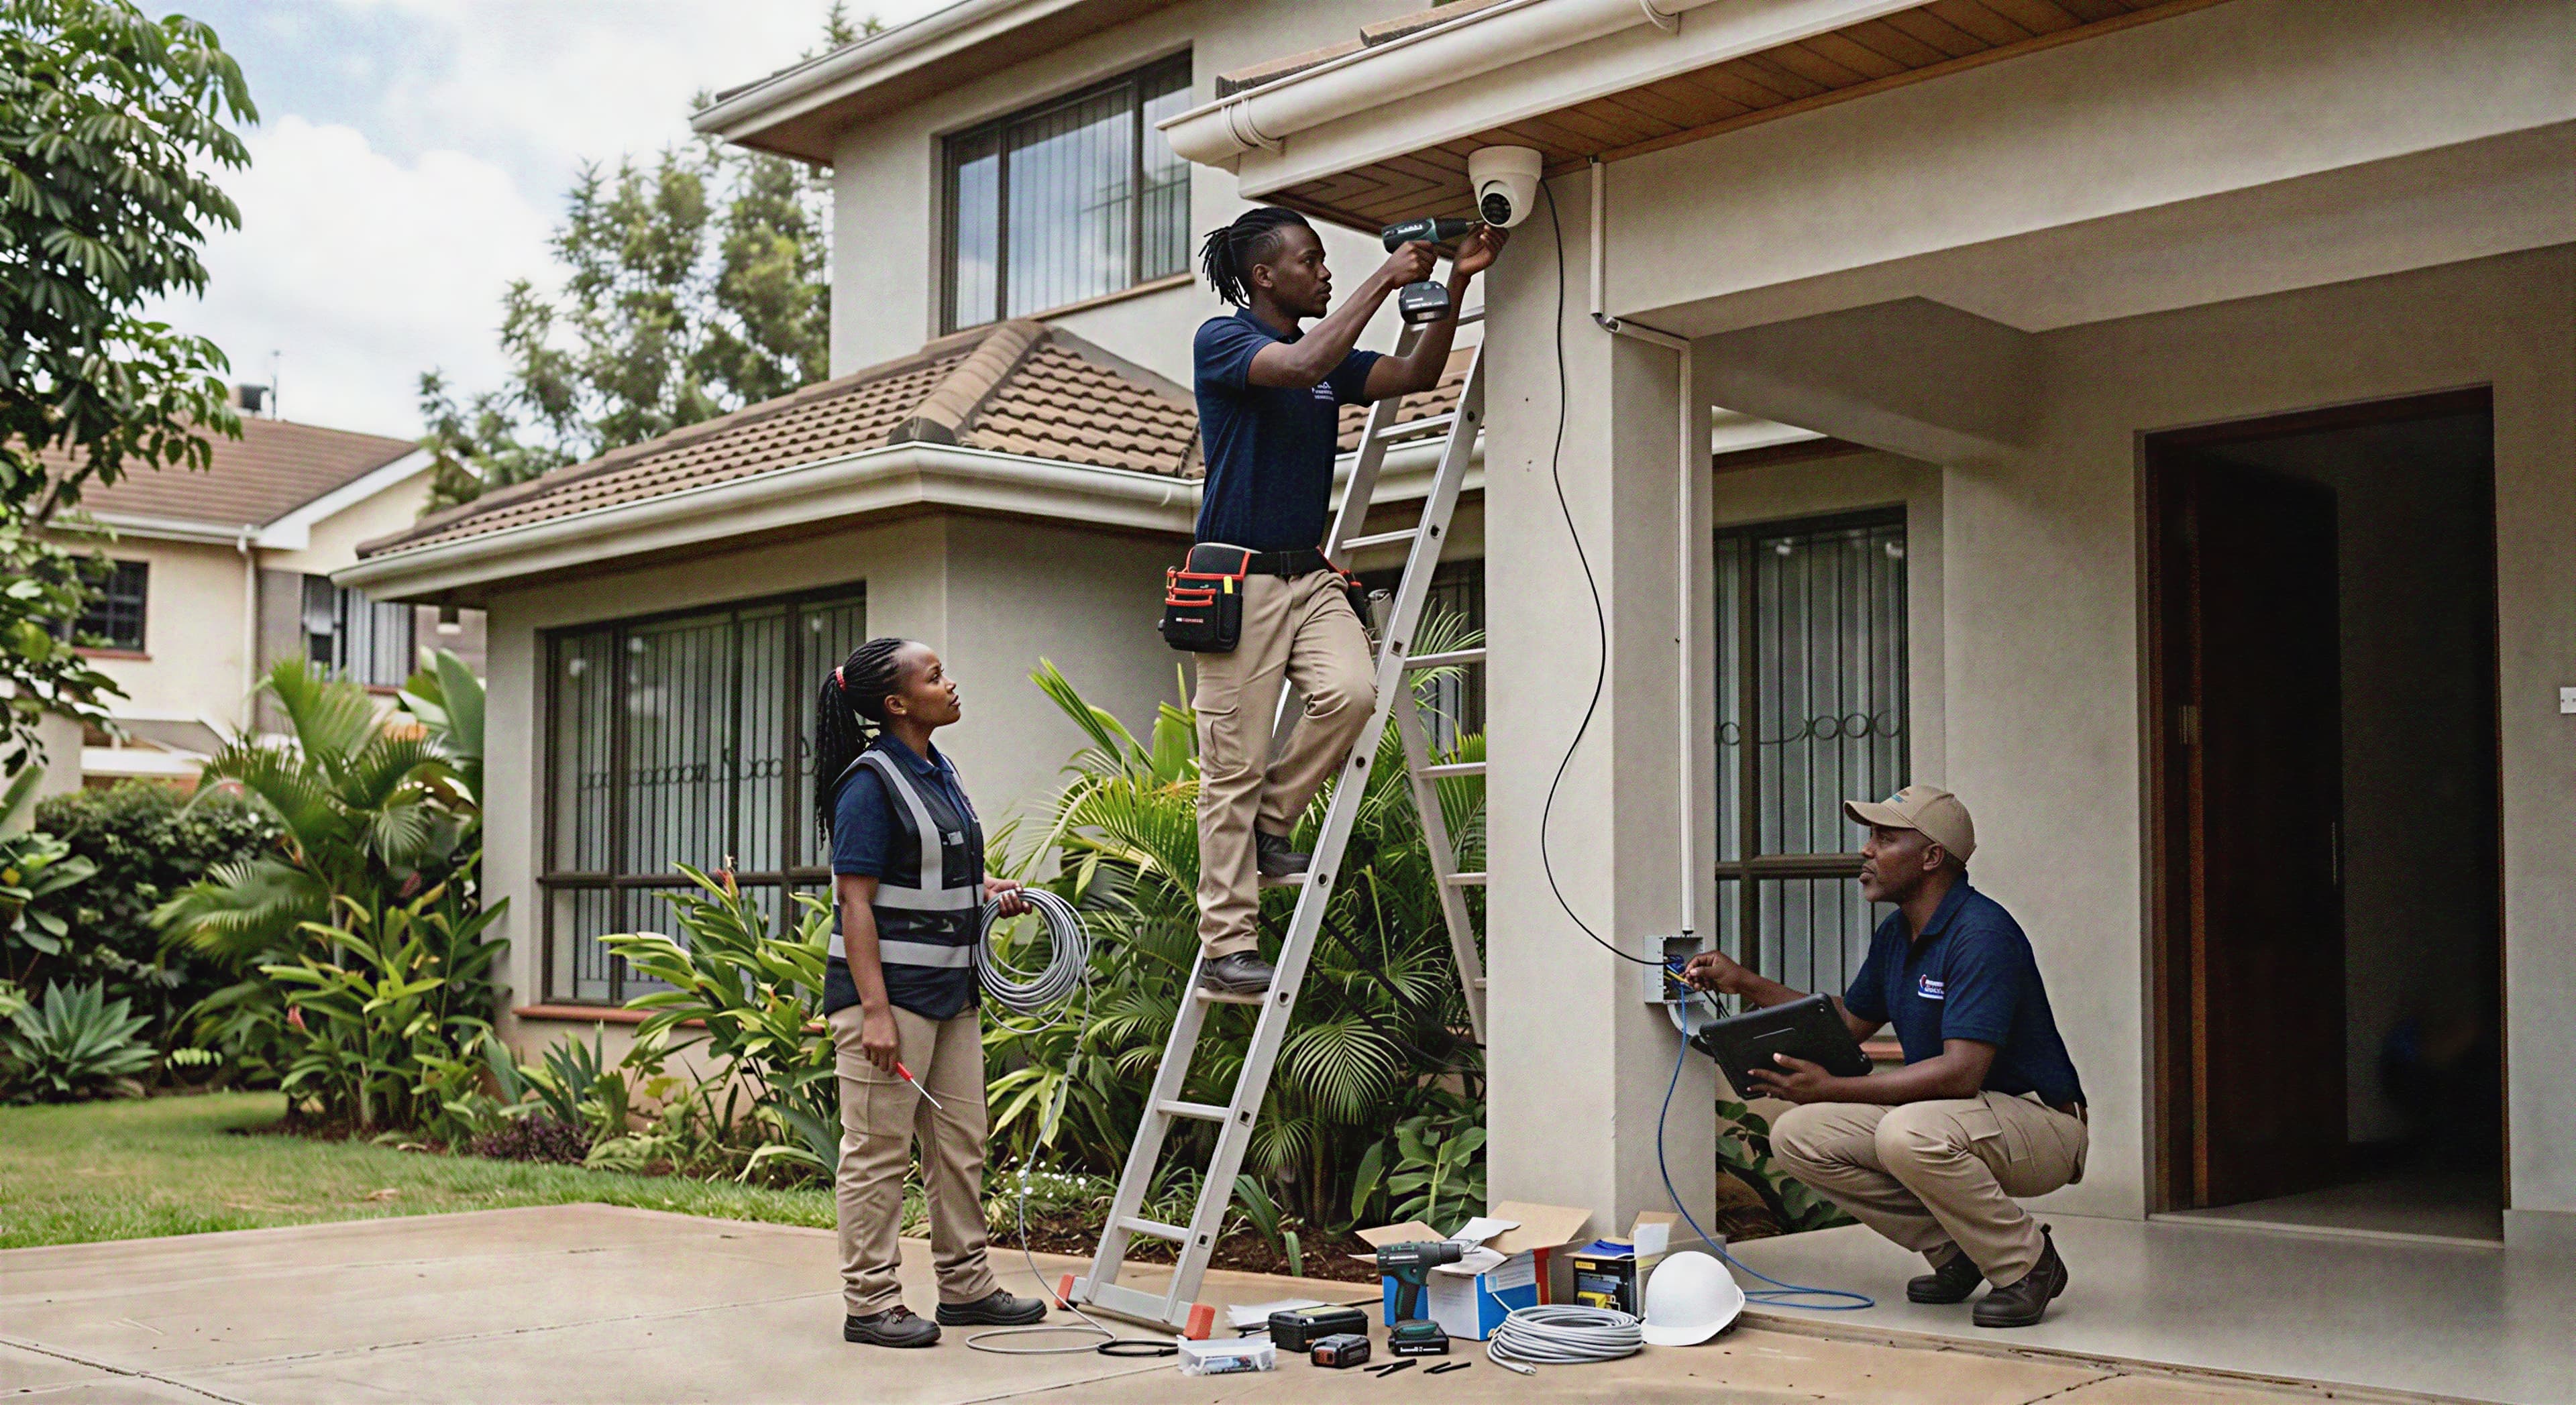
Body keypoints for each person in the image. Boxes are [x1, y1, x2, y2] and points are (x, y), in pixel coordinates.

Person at [1187, 205, 1505, 995]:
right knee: (1231, 763)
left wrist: (1455, 285)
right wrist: (1386, 277)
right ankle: (1229, 944)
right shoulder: (1227, 340)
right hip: (1238, 580)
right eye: (1312, 261)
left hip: (1311, 573)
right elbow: (1295, 370)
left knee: (1354, 693)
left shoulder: (1326, 360)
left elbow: (1416, 377)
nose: (1324, 272)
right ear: (1265, 276)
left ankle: (1271, 822)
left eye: (1329, 262)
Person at [1681, 785, 2088, 1329]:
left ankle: (2028, 1263)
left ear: (1932, 856)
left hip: (2040, 1122)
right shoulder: (1898, 933)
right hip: (1958, 1115)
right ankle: (1956, 1250)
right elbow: (1848, 1023)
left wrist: (1832, 1086)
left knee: (1908, 1132)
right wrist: (1744, 982)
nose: (1866, 850)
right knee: (1799, 1135)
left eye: (1884, 837)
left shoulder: (1982, 933)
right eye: (1870, 836)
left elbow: (1961, 1071)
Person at [814, 636, 1049, 1347]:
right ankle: (871, 1302)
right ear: (896, 703)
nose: (950, 684)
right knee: (877, 1149)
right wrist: (875, 1014)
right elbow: (855, 901)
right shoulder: (869, 783)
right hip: (889, 1000)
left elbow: (920, 874)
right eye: (935, 676)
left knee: (959, 1141)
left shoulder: (937, 770)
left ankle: (967, 1285)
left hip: (951, 992)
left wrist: (988, 891)